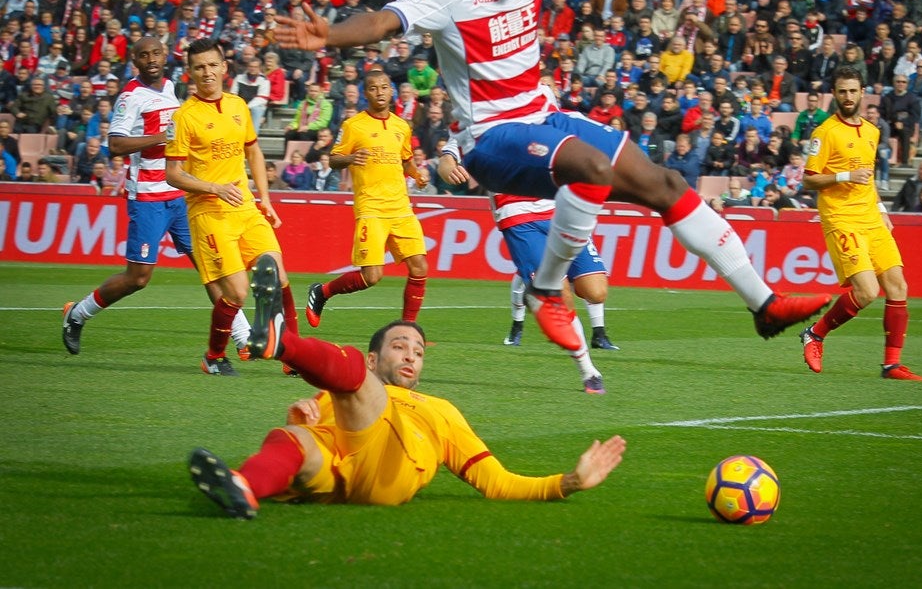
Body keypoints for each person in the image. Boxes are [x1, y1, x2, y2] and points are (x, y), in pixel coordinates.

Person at [276, 0, 830, 354]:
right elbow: (384, 21)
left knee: (663, 184)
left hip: (544, 115)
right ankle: (544, 292)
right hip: (490, 139)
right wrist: (329, 37)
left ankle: (763, 305)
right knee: (590, 166)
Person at [190, 268, 626, 519]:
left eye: (417, 351)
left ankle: (281, 344)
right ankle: (244, 486)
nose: (411, 356)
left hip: (388, 472)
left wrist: (568, 483)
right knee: (294, 439)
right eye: (399, 346)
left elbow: (498, 482)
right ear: (374, 357)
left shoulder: (439, 411)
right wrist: (299, 417)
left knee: (356, 387)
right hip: (335, 474)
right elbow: (308, 430)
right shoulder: (340, 390)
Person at [62, 37, 251, 361]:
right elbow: (116, 145)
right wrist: (164, 137)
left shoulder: (170, 88)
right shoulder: (130, 97)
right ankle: (77, 314)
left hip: (181, 194)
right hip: (147, 195)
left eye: (156, 53)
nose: (151, 59)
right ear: (135, 61)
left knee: (209, 264)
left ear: (166, 56)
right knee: (138, 278)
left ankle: (243, 336)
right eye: (143, 55)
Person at [165, 37, 298, 376]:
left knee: (279, 277)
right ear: (189, 73)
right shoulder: (184, 117)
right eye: (199, 67)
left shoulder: (239, 105)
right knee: (237, 293)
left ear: (225, 67)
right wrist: (214, 188)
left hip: (245, 207)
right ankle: (213, 356)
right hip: (209, 212)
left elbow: (253, 150)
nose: (207, 72)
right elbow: (173, 174)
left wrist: (265, 197)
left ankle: (294, 355)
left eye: (212, 65)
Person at [798, 66, 922, 381]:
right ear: (835, 94)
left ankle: (891, 365)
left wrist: (881, 207)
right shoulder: (824, 132)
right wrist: (844, 176)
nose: (848, 97)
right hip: (841, 218)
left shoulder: (871, 130)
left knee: (898, 285)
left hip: (870, 216)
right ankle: (815, 333)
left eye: (853, 91)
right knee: (867, 291)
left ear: (862, 92)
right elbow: (808, 181)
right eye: (842, 91)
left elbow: (866, 179)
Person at [306, 71, 430, 329]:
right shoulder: (354, 125)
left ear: (391, 91)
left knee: (419, 267)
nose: (380, 92)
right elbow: (333, 159)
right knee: (371, 276)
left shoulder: (401, 126)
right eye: (374, 88)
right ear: (366, 93)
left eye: (385, 87)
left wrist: (417, 175)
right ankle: (322, 292)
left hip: (400, 207)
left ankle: (408, 329)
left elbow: (405, 159)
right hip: (371, 208)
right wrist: (351, 159)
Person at [495, 194, 616, 395]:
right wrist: (449, 163)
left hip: (561, 209)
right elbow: (452, 164)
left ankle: (537, 288)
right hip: (518, 213)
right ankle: (589, 372)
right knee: (560, 296)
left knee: (596, 292)